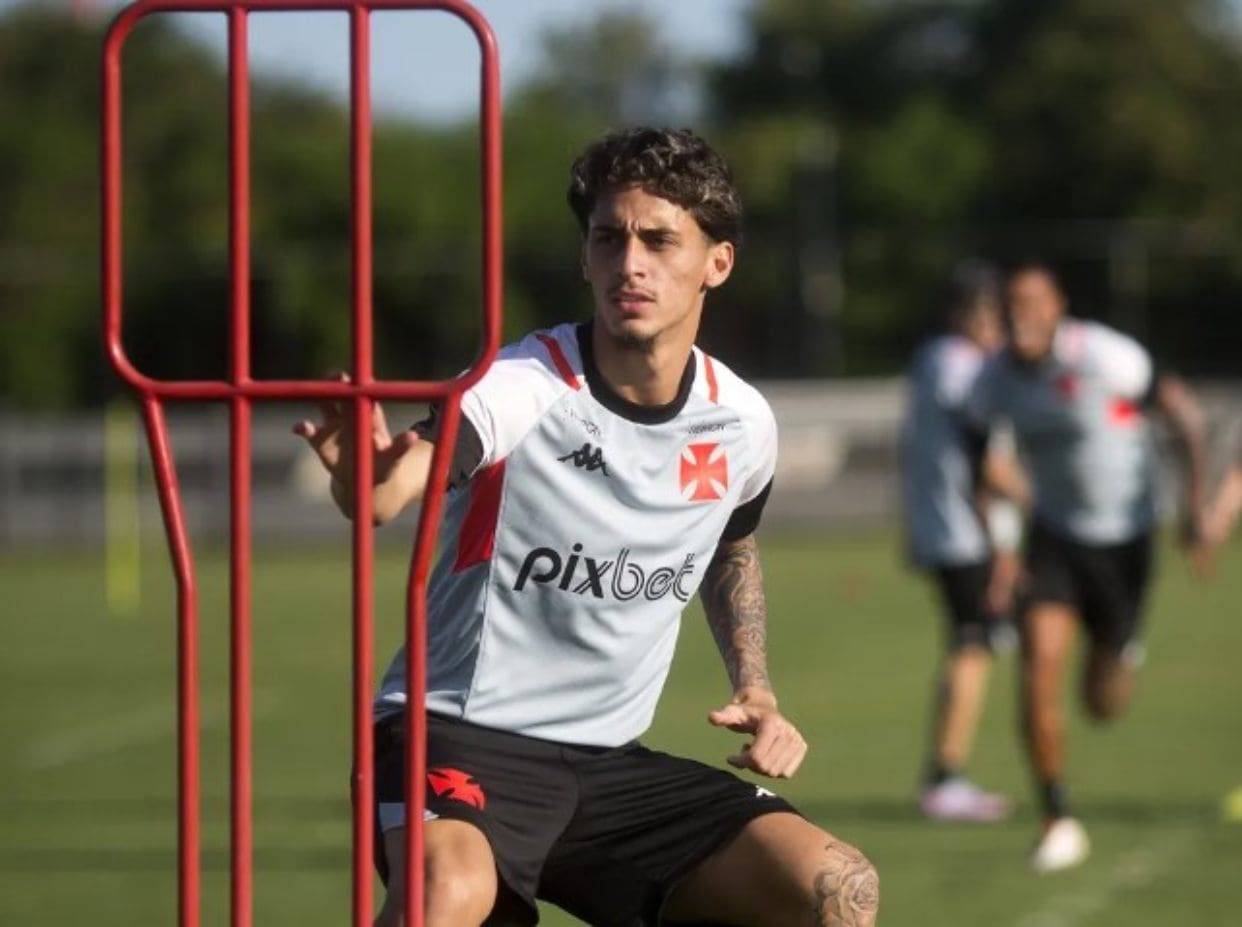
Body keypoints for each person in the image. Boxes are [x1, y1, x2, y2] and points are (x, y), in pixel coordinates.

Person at [296, 127, 879, 927]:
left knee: (837, 887)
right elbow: (395, 487)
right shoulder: (518, 386)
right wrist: (366, 478)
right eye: (609, 238)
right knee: (447, 895)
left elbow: (731, 542)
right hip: (457, 736)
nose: (629, 262)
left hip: (607, 765)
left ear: (718, 262)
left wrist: (756, 682)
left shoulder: (742, 421)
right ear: (586, 257)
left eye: (659, 240)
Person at [964, 260, 1209, 872]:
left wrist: (1195, 507)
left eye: (1033, 302)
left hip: (1127, 541)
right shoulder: (992, 380)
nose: (1022, 314)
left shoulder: (1104, 357)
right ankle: (1056, 818)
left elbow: (1183, 414)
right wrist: (1001, 546)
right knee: (1036, 669)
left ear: (1057, 308)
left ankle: (1123, 650)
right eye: (1011, 303)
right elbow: (981, 466)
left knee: (1103, 702)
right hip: (1056, 539)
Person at [900, 261, 1023, 822]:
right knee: (972, 646)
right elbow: (984, 465)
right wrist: (1035, 506)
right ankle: (945, 777)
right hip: (965, 531)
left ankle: (947, 774)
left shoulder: (930, 361)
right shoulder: (964, 369)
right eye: (991, 313)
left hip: (942, 525)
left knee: (975, 644)